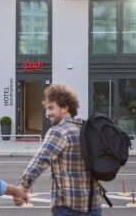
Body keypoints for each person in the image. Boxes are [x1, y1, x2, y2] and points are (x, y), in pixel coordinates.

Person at [16, 84, 102, 216]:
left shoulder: (58, 132)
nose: (47, 113)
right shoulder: (85, 129)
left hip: (69, 207)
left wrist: (22, 187)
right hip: (94, 206)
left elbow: (40, 160)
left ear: (65, 108)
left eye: (51, 108)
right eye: (46, 109)